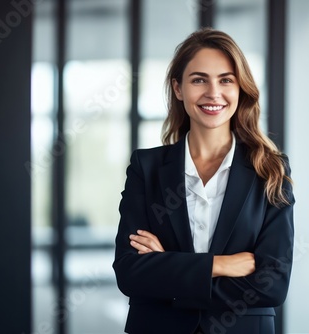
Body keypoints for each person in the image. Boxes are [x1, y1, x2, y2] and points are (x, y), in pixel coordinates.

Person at [113, 28, 295, 334]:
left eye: (226, 80)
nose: (213, 93)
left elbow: (272, 285)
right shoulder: (147, 167)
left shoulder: (270, 169)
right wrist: (220, 265)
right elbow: (130, 273)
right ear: (179, 88)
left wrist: (168, 267)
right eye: (199, 79)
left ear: (240, 89)